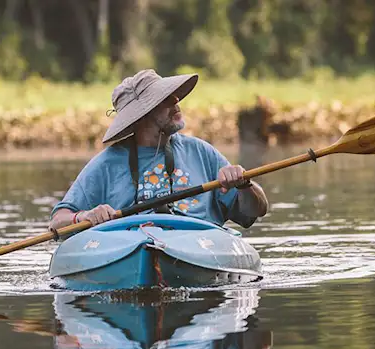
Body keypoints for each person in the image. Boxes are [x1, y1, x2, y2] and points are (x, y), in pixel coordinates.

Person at [49, 69, 268, 231]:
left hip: (202, 245)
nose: (176, 101)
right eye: (165, 99)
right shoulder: (106, 164)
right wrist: (84, 216)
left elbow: (257, 210)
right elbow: (58, 221)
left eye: (174, 95)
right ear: (141, 116)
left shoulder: (201, 152)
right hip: (132, 250)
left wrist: (244, 185)